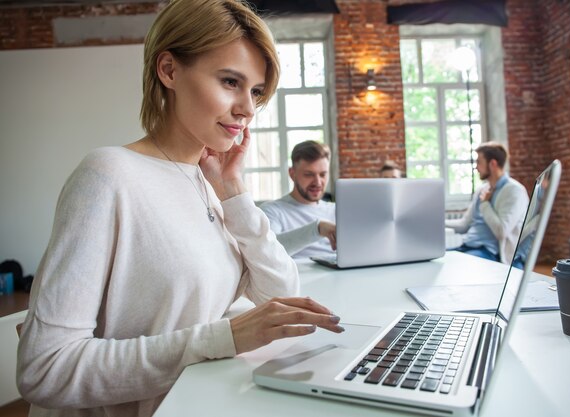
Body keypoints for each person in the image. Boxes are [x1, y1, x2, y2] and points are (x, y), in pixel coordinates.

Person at [16, 2, 343, 416]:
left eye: (256, 91)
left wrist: (234, 192)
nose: (247, 108)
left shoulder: (206, 180)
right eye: (230, 81)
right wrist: (224, 337)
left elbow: (283, 297)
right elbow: (44, 370)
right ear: (169, 70)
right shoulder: (107, 175)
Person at [446, 142, 529, 266]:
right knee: (437, 261)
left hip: (489, 252)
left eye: (479, 162)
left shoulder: (514, 191)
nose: (476, 167)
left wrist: (485, 204)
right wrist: (436, 220)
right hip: (467, 246)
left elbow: (501, 231)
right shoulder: (482, 190)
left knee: (456, 265)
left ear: (493, 164)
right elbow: (463, 225)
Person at [261, 140, 336, 258]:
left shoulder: (336, 210)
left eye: (323, 174)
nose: (317, 182)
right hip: (299, 275)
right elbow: (268, 251)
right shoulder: (272, 210)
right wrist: (317, 229)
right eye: (309, 174)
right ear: (292, 174)